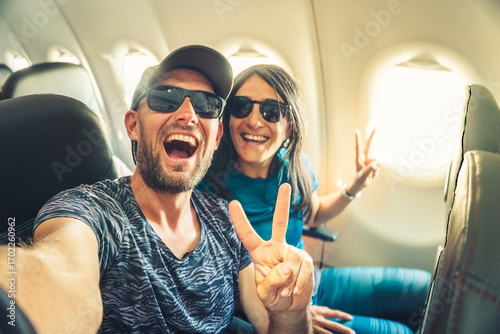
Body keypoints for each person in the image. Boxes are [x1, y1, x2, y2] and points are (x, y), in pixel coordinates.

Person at [0, 45, 315, 333]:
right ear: (133, 125)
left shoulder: (225, 220)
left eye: (206, 105)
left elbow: (270, 326)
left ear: (217, 136)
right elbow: (62, 271)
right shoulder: (90, 211)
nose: (189, 115)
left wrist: (291, 312)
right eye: (166, 97)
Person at [200, 64, 431, 334]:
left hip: (311, 282)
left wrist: (353, 188)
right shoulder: (209, 183)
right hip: (266, 306)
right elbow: (213, 283)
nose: (253, 121)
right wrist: (294, 314)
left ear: (289, 126)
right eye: (241, 107)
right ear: (228, 118)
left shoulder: (294, 166)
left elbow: (313, 212)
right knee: (400, 332)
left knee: (425, 288)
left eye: (271, 111)